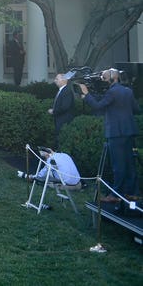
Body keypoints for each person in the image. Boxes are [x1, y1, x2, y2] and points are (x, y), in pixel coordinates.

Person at [79, 68, 141, 201]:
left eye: (104, 77)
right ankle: (133, 192)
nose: (103, 79)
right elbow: (136, 109)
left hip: (115, 133)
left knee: (118, 165)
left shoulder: (112, 92)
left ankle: (115, 195)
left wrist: (86, 94)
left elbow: (97, 106)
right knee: (130, 164)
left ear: (112, 79)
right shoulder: (127, 91)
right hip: (129, 131)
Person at [48, 73, 76, 147]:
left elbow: (65, 107)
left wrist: (53, 111)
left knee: (62, 142)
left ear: (64, 80)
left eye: (57, 79)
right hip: (60, 120)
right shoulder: (62, 90)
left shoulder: (66, 91)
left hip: (64, 121)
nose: (55, 81)